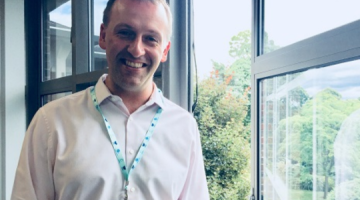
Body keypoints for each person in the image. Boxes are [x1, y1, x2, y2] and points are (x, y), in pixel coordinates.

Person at [11, 0, 209, 199]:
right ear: (104, 36)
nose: (136, 50)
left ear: (165, 50)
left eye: (150, 38)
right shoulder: (52, 122)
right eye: (125, 33)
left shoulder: (184, 128)